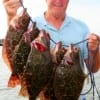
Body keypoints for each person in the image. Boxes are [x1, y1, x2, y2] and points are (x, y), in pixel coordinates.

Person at [2, 0, 100, 99]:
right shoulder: (31, 25)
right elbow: (15, 50)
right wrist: (11, 13)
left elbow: (94, 68)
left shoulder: (82, 28)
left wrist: (93, 50)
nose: (58, 1)